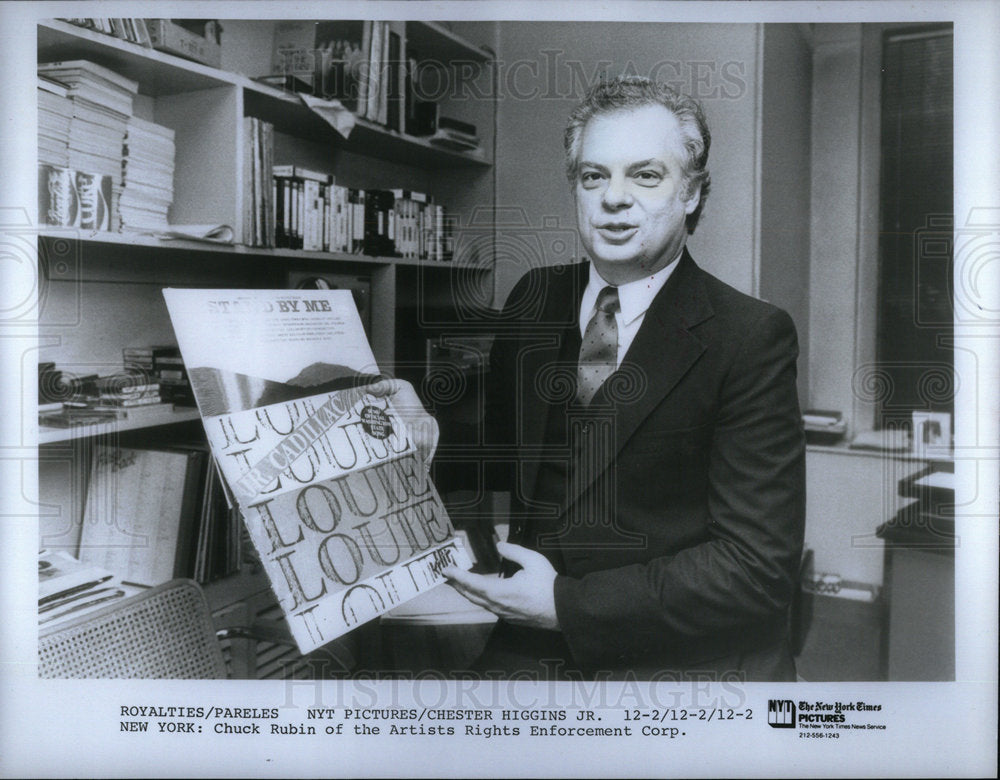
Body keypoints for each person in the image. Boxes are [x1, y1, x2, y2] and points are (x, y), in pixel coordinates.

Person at [387, 77, 806, 681]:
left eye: (645, 175)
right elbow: (494, 455)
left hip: (678, 666)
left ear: (691, 193)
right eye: (593, 176)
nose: (613, 198)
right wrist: (418, 427)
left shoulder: (750, 336)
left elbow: (756, 567)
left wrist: (564, 606)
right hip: (532, 655)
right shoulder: (534, 297)